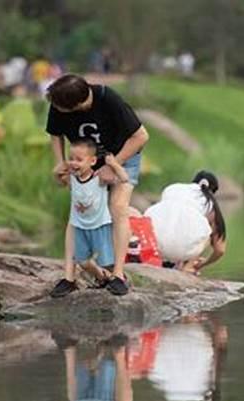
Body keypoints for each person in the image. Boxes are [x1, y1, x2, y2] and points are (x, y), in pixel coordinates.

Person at [46, 74, 150, 296]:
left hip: (123, 157)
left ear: (78, 105)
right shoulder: (60, 100)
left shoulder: (107, 98)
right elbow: (55, 133)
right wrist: (60, 163)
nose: (55, 110)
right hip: (82, 162)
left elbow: (140, 136)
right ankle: (69, 277)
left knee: (118, 208)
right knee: (77, 212)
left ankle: (118, 276)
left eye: (60, 108)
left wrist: (114, 165)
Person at [50, 139, 129, 298]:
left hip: (99, 226)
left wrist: (113, 164)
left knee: (106, 261)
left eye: (79, 159)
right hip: (80, 226)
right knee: (82, 261)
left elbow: (124, 178)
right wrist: (58, 172)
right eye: (71, 158)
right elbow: (60, 181)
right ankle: (102, 277)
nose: (74, 163)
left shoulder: (99, 178)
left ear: (92, 161)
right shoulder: (72, 178)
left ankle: (118, 278)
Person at [145, 171, 227, 274]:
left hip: (154, 245)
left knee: (173, 225)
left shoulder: (172, 188)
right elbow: (220, 250)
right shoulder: (209, 202)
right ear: (212, 191)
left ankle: (167, 262)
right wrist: (202, 264)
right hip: (180, 250)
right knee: (205, 233)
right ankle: (187, 267)